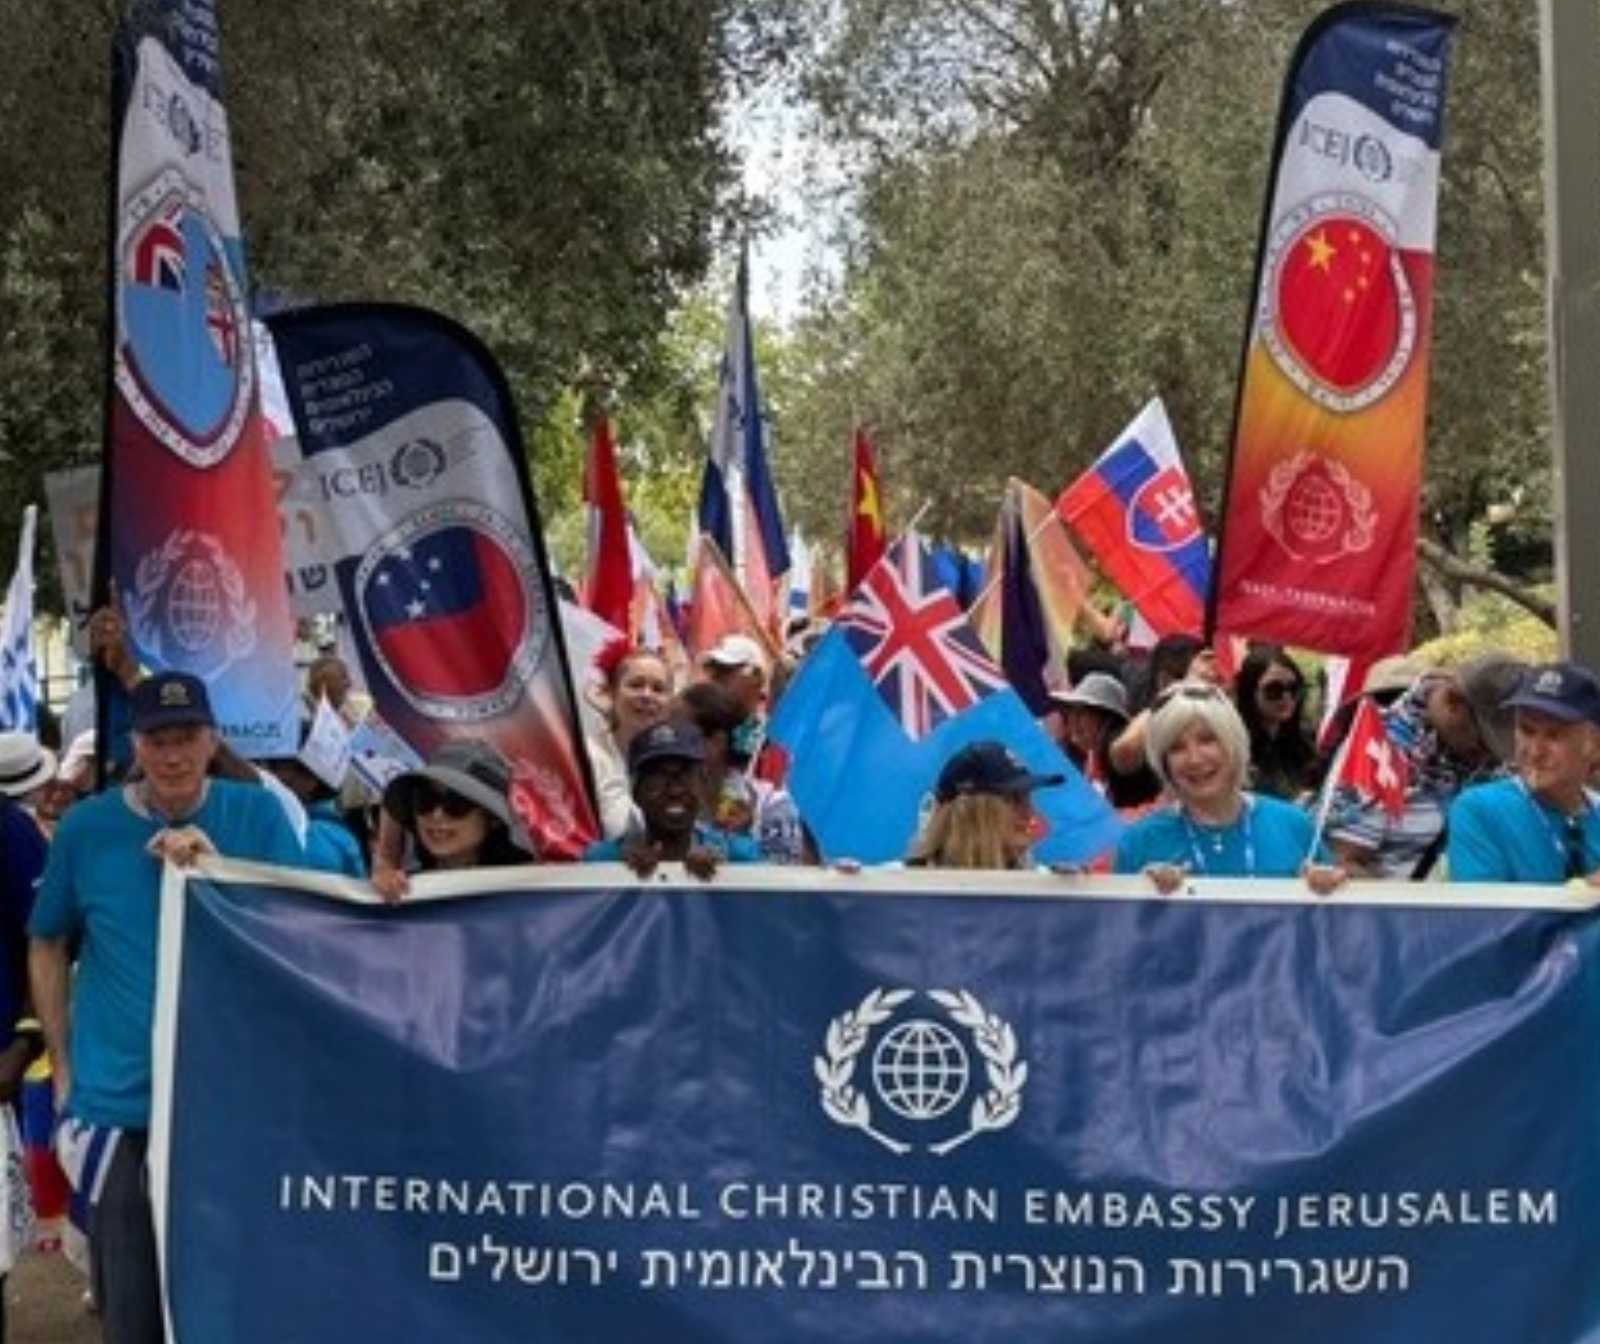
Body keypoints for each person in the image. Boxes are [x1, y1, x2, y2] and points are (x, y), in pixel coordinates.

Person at [28, 672, 309, 1344]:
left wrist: (217, 878)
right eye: (158, 739)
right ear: (135, 744)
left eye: (187, 737)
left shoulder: (256, 817)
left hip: (228, 1098)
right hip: (119, 1101)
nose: (173, 755)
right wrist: (61, 1061)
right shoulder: (89, 828)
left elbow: (301, 931)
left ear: (213, 741)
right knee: (131, 1300)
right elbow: (46, 940)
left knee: (228, 1290)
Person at [1113, 682, 1344, 894]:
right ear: (1164, 763)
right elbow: (1118, 932)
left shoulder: (1294, 825)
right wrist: (1142, 896)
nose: (1194, 759)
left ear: (1234, 744)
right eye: (1176, 747)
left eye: (1207, 739)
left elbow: (1336, 929)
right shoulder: (1138, 843)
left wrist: (1326, 891)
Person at [1325, 656, 1526, 879]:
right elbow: (1342, 863)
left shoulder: (1474, 751)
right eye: (1483, 741)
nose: (1490, 756)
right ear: (1452, 703)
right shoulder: (1380, 746)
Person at [1447, 662, 1600, 883]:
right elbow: (1486, 915)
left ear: (1593, 744)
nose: (1536, 751)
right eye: (1527, 731)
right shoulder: (1479, 809)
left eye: (1554, 735)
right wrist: (1585, 894)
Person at [584, 721, 759, 877]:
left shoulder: (739, 856)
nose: (675, 790)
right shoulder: (602, 860)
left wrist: (725, 877)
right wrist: (619, 874)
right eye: (658, 778)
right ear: (635, 792)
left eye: (685, 775)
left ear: (703, 785)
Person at [373, 741, 532, 898]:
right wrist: (384, 868)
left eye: (456, 803)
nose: (437, 814)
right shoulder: (404, 888)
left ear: (492, 818)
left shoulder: (529, 890)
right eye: (426, 799)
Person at [676, 682, 805, 863]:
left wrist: (740, 841)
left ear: (716, 742)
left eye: (679, 732)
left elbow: (785, 882)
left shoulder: (772, 808)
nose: (670, 739)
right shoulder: (668, 804)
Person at [906, 740, 1062, 871]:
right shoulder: (894, 889)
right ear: (969, 813)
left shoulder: (1044, 889)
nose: (1029, 812)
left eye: (1027, 799)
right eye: (1013, 799)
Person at [586, 646, 673, 840]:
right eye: (636, 685)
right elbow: (618, 830)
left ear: (670, 704)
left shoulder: (678, 763)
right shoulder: (587, 757)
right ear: (611, 692)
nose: (647, 695)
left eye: (658, 689)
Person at [1234, 647, 1318, 800]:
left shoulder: (1304, 741)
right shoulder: (1234, 746)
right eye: (1274, 689)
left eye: (1293, 688)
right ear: (1249, 691)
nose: (1286, 697)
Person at [1047, 673, 1130, 801]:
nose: (1073, 721)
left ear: (1108, 720)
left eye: (1081, 713)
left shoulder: (1125, 768)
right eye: (1070, 712)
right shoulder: (1091, 759)